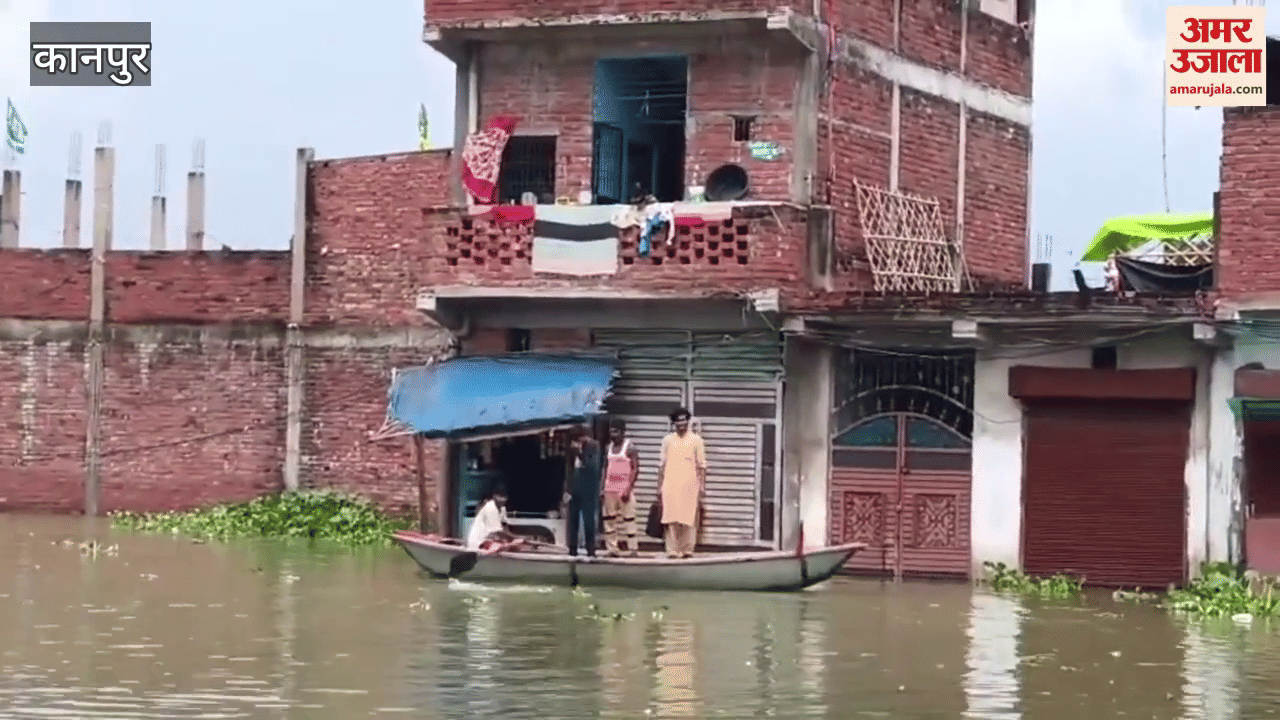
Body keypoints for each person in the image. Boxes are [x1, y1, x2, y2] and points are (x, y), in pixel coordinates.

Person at [657, 406, 706, 559]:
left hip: (690, 484)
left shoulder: (696, 440)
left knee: (688, 517)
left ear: (688, 421)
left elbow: (702, 466)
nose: (681, 424)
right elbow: (662, 464)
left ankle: (687, 549)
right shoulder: (667, 440)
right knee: (670, 517)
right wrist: (659, 486)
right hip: (670, 483)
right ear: (674, 423)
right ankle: (672, 550)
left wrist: (702, 486)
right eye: (678, 421)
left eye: (684, 420)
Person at [601, 419, 641, 557]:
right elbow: (605, 468)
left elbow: (635, 469)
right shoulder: (608, 447)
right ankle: (612, 549)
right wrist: (602, 488)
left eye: (616, 431)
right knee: (609, 520)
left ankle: (633, 550)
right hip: (610, 489)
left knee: (629, 520)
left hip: (624, 489)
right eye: (611, 432)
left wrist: (628, 489)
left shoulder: (630, 447)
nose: (613, 434)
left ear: (623, 432)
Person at [564, 424, 603, 557]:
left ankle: (590, 549)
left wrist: (580, 454)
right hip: (574, 487)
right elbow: (569, 468)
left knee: (588, 520)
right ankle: (572, 548)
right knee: (572, 519)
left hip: (588, 488)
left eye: (578, 439)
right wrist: (567, 489)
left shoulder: (594, 446)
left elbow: (593, 467)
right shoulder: (572, 447)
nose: (576, 442)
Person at [465, 484, 524, 553]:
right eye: (500, 497)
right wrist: (517, 538)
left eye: (505, 497)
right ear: (494, 496)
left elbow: (504, 526)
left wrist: (514, 539)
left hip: (490, 540)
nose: (503, 499)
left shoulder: (502, 509)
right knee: (512, 546)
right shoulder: (490, 508)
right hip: (479, 542)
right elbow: (498, 531)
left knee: (516, 545)